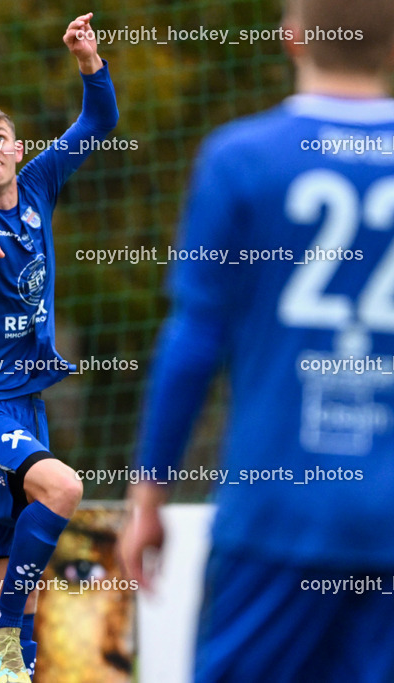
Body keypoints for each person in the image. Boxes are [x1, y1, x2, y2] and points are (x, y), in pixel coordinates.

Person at [118, 1, 394, 681]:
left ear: (292, 38)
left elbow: (192, 342)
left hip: (275, 513)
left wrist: (149, 493)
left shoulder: (240, 158)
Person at [0, 12, 118, 683]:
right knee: (64, 487)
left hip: (26, 405)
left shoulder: (38, 185)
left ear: (16, 149)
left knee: (13, 569)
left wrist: (88, 60)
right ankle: (3, 630)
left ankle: (13, 666)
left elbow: (98, 121)